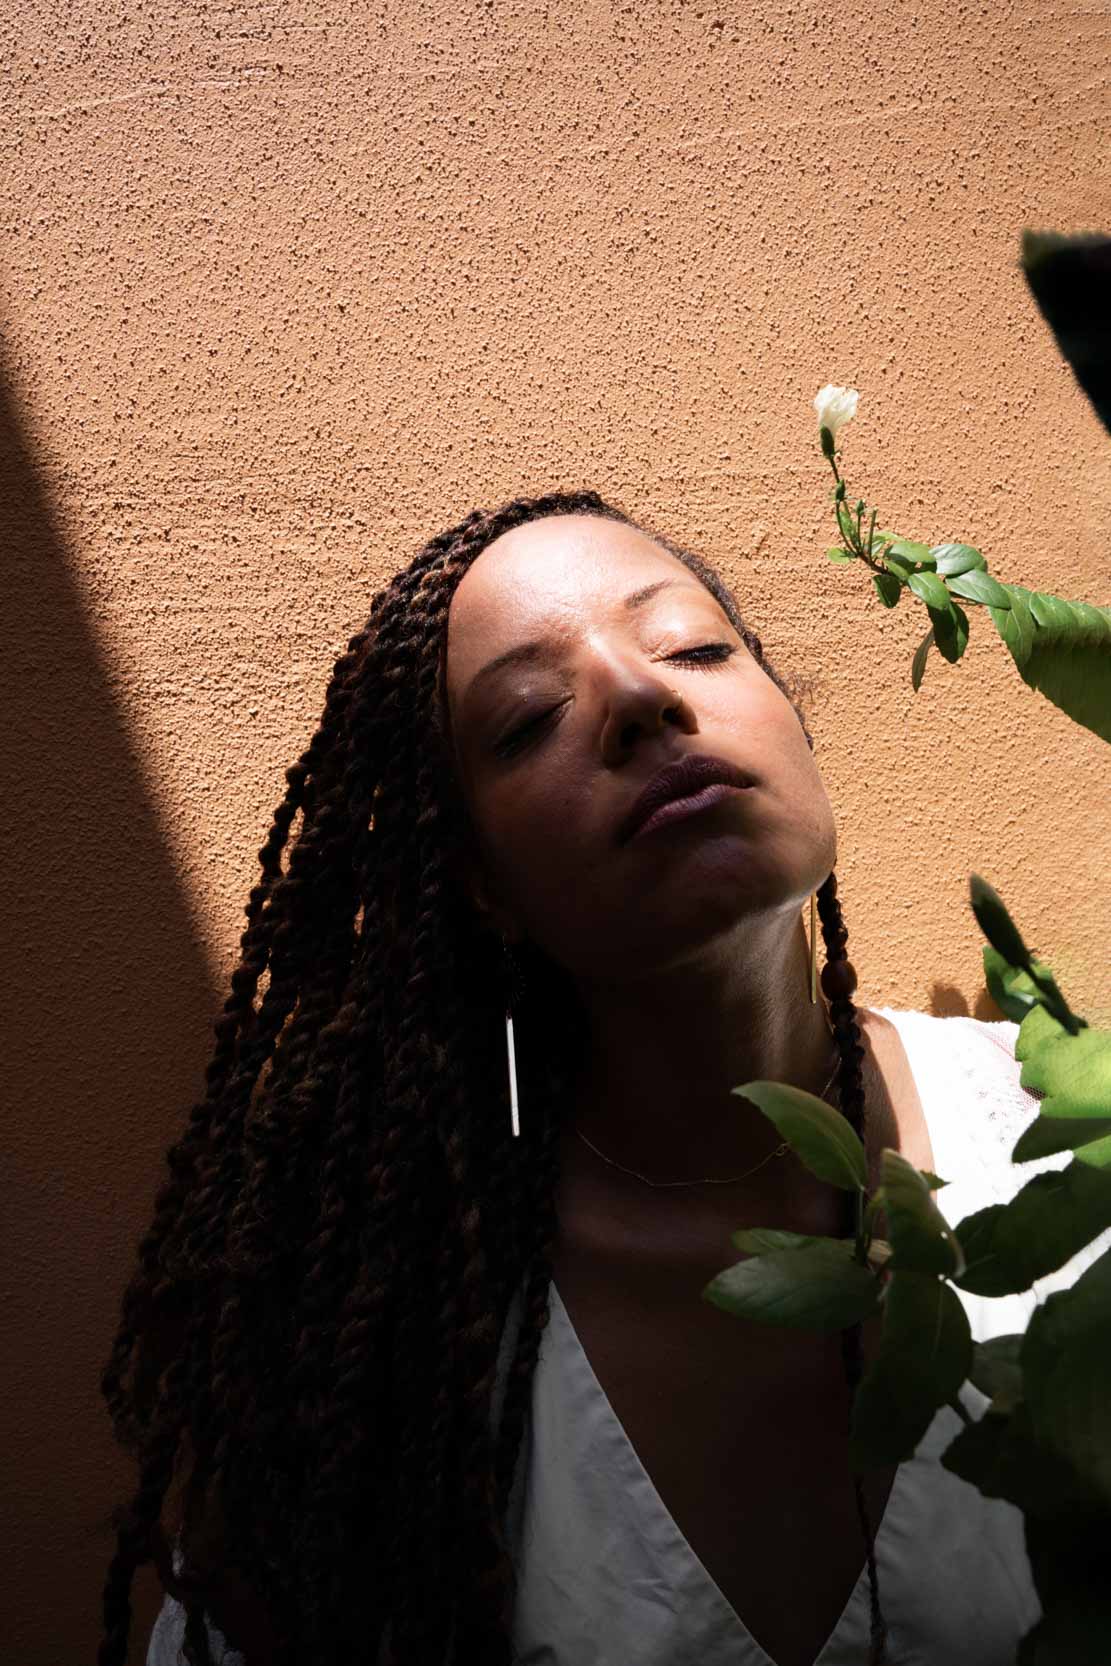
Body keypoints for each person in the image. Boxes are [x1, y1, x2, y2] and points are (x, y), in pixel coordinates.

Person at [101, 490, 1107, 1666]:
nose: (639, 696)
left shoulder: (1065, 1124)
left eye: (693, 645)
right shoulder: (393, 1344)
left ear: (793, 718)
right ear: (475, 884)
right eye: (527, 720)